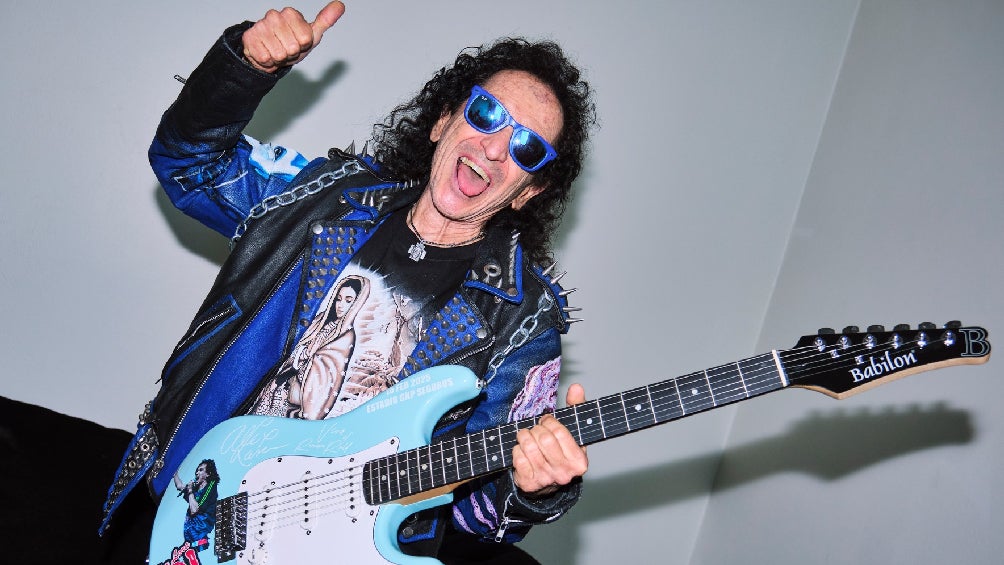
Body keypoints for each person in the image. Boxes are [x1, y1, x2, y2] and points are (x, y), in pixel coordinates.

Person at [102, 2, 594, 562]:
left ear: (530, 190)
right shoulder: (321, 195)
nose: (496, 147)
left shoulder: (521, 324)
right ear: (443, 121)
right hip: (187, 509)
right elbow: (189, 166)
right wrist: (244, 68)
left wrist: (536, 489)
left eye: (528, 147)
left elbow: (475, 514)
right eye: (486, 113)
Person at [171, 460, 220, 553]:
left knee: (200, 552)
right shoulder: (195, 487)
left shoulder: (210, 486)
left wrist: (190, 491)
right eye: (197, 470)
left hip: (200, 531)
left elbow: (194, 510)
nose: (197, 473)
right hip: (189, 531)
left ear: (208, 474)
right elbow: (180, 486)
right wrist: (175, 475)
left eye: (201, 470)